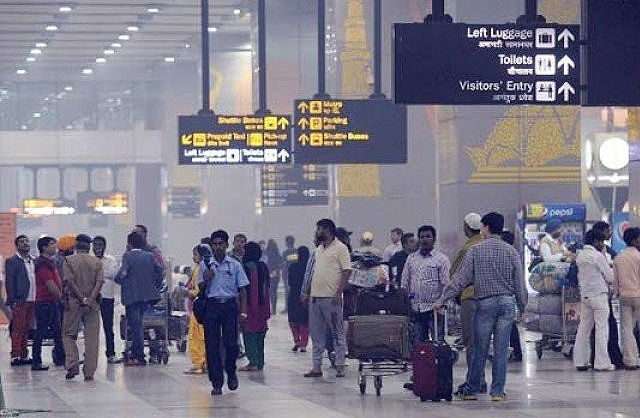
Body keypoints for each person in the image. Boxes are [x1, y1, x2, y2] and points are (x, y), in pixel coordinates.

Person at [435, 212, 526, 402]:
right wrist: (522, 307)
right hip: (507, 304)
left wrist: (443, 298)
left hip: (485, 303)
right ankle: (497, 392)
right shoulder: (512, 252)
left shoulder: (475, 250)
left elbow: (460, 279)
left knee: (479, 349)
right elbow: (519, 283)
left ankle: (471, 389)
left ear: (486, 228)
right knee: (501, 349)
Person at [198, 230, 249, 396]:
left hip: (229, 307)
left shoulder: (234, 265)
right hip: (212, 306)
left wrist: (243, 312)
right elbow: (200, 287)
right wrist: (207, 278)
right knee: (212, 346)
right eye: (215, 244)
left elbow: (242, 289)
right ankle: (217, 382)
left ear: (227, 245)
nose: (218, 247)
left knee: (231, 344)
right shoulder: (205, 264)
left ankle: (231, 372)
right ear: (211, 246)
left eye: (221, 244)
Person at [304, 219, 351, 379]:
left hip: (331, 298)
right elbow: (313, 272)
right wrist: (307, 292)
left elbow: (346, 271)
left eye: (321, 229)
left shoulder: (341, 248)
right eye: (318, 229)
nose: (319, 232)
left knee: (337, 332)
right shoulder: (318, 249)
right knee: (316, 334)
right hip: (315, 298)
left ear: (329, 230)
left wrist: (338, 293)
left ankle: (340, 365)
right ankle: (316, 367)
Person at [116, 232, 163, 366]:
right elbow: (159, 270)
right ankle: (142, 353)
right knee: (141, 324)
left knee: (136, 327)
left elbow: (122, 273)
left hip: (132, 297)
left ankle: (138, 356)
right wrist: (155, 285)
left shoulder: (128, 256)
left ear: (129, 244)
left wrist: (118, 280)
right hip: (148, 297)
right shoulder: (149, 256)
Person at [450, 213, 485, 390]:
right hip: (488, 298)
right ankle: (481, 379)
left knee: (471, 341)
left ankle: (474, 381)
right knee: (482, 341)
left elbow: (455, 273)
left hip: (470, 297)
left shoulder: (468, 248)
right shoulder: (486, 244)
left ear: (466, 228)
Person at [62, 234, 104, 381]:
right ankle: (89, 371)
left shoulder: (68, 260)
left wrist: (81, 298)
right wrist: (90, 299)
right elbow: (99, 282)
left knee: (68, 334)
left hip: (73, 302)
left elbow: (69, 281)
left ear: (75, 246)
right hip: (93, 304)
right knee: (92, 338)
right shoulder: (97, 262)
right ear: (89, 247)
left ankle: (72, 363)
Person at [574, 229, 615, 371]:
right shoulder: (597, 256)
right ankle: (602, 363)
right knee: (602, 329)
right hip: (599, 295)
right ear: (596, 241)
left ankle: (580, 361)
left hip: (585, 295)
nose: (603, 244)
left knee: (583, 328)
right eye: (601, 241)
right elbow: (610, 277)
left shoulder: (580, 256)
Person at [401, 225, 450, 343]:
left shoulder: (441, 259)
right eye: (422, 237)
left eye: (428, 236)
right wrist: (407, 301)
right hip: (416, 309)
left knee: (437, 344)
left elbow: (446, 285)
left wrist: (441, 302)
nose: (425, 239)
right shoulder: (411, 258)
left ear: (434, 239)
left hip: (435, 309)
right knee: (418, 344)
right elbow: (405, 282)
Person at [590, 221, 624, 369]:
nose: (610, 234)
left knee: (595, 328)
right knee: (606, 328)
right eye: (607, 231)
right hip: (601, 293)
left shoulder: (601, 250)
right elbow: (609, 276)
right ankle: (610, 359)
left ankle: (597, 358)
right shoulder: (598, 253)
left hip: (591, 294)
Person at [32, 236, 64, 372]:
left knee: (57, 331)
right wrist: (61, 298)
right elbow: (49, 283)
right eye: (52, 244)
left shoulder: (50, 262)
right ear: (44, 247)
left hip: (52, 301)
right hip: (45, 302)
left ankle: (60, 358)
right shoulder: (42, 264)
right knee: (41, 331)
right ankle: (36, 361)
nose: (55, 246)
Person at [239, 241, 271, 371]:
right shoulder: (263, 266)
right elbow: (267, 287)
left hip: (249, 306)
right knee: (260, 334)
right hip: (263, 305)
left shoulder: (246, 267)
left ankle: (253, 362)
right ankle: (260, 361)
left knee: (249, 334)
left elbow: (245, 288)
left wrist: (244, 309)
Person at [5, 235, 36, 366]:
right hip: (19, 300)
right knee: (18, 328)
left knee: (27, 328)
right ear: (17, 246)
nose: (25, 243)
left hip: (32, 298)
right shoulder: (12, 261)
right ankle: (15, 355)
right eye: (22, 242)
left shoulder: (33, 260)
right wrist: (12, 299)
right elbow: (9, 282)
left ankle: (24, 355)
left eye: (26, 241)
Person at [613, 227, 640, 370]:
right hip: (638, 295)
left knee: (627, 329)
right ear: (635, 241)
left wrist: (617, 292)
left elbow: (615, 281)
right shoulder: (638, 256)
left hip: (624, 297)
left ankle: (630, 360)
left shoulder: (619, 258)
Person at [92, 236, 120, 364]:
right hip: (92, 296)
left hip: (107, 296)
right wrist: (102, 274)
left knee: (108, 326)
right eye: (95, 244)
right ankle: (90, 353)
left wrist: (97, 275)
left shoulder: (111, 260)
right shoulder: (89, 260)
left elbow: (113, 274)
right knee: (91, 327)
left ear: (104, 246)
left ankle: (110, 353)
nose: (97, 247)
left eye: (100, 244)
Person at [501, 230, 523, 363]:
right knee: (511, 325)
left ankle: (511, 352)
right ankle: (517, 352)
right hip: (511, 296)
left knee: (507, 326)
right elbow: (518, 281)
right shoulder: (514, 254)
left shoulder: (503, 254)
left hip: (504, 296)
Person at [184, 245, 206, 374]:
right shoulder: (199, 267)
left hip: (198, 306)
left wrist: (190, 293)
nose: (193, 257)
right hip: (200, 306)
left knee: (196, 336)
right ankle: (203, 362)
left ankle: (199, 362)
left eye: (196, 255)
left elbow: (197, 288)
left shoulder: (200, 268)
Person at [288, 246, 310, 353]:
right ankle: (303, 345)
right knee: (304, 321)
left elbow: (290, 282)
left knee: (293, 320)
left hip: (293, 295)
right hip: (306, 295)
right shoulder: (309, 268)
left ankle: (297, 340)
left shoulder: (293, 266)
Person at [264, 239, 283, 314]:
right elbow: (282, 264)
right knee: (273, 292)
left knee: (269, 292)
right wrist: (276, 270)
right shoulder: (278, 255)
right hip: (276, 275)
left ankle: (270, 308)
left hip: (268, 274)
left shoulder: (266, 254)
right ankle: (274, 308)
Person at [280, 235, 298, 314]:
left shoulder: (285, 253)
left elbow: (284, 264)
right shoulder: (297, 252)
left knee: (288, 292)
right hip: (296, 275)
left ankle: (288, 308)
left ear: (287, 243)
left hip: (287, 275)